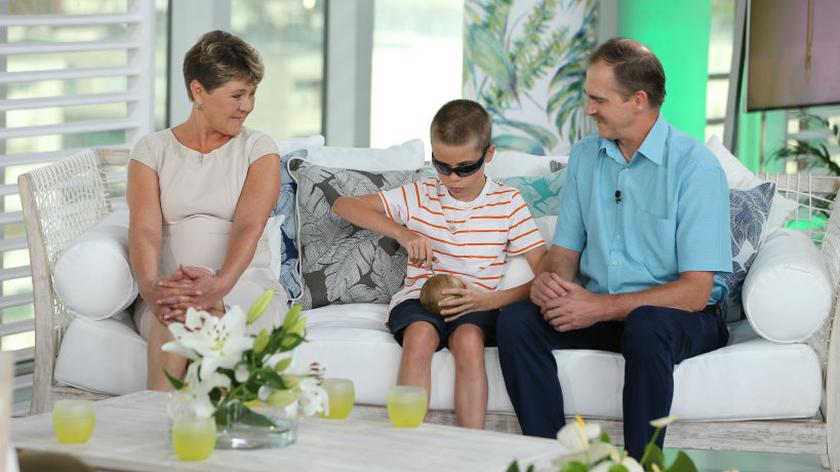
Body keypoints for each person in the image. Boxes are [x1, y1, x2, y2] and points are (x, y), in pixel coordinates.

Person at [496, 38, 732, 458]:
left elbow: (696, 291)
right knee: (517, 320)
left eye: (598, 99)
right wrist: (549, 281)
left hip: (680, 317)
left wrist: (599, 307)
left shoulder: (695, 168)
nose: (588, 109)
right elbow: (565, 253)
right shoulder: (586, 157)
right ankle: (553, 460)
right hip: (602, 310)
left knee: (646, 325)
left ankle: (641, 465)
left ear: (637, 100)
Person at [331, 99, 546, 428]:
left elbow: (546, 273)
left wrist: (492, 300)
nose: (452, 178)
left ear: (489, 154)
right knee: (418, 336)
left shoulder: (508, 203)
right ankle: (408, 440)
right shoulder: (420, 193)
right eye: (442, 166)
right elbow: (344, 205)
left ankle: (469, 443)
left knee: (468, 342)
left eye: (465, 168)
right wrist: (403, 233)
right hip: (419, 296)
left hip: (476, 301)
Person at [128, 30, 286, 391]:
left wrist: (218, 286)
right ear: (199, 92)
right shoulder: (151, 150)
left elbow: (249, 226)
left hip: (241, 285)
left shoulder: (258, 149)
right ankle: (159, 418)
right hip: (169, 290)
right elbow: (144, 231)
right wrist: (153, 292)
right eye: (237, 95)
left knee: (212, 321)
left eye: (252, 94)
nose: (248, 106)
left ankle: (207, 424)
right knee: (177, 318)